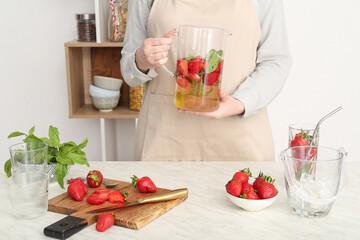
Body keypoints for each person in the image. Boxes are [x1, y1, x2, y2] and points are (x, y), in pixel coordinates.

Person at [120, 0, 292, 161]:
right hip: (164, 140)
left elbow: (276, 61)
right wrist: (141, 59)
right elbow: (129, 73)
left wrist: (240, 102)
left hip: (241, 140)